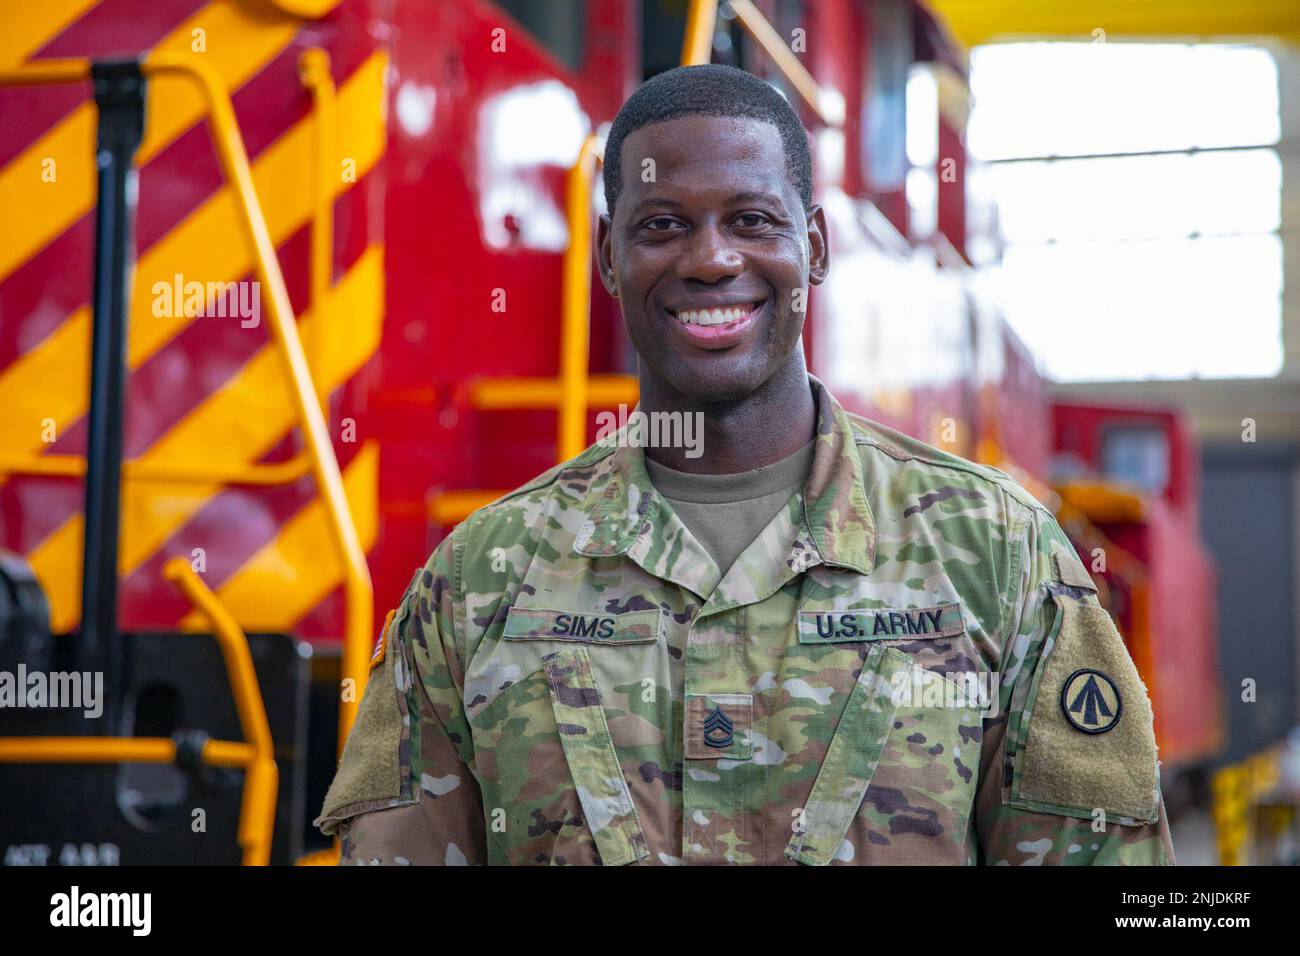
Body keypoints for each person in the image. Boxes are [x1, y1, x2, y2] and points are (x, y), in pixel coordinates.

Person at [316, 63, 1174, 865]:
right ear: (611, 257)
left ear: (817, 248)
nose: (711, 259)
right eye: (664, 226)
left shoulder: (996, 553)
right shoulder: (479, 579)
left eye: (751, 221)